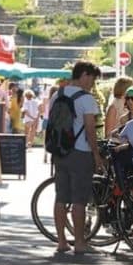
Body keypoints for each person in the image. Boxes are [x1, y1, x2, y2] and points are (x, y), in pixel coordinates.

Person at [51, 61, 103, 254]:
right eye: (92, 79)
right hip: (80, 152)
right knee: (79, 199)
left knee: (61, 197)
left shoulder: (58, 94)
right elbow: (90, 129)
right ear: (84, 75)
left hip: (59, 151)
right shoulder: (86, 99)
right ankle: (80, 242)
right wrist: (97, 154)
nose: (92, 84)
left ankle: (62, 241)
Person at [42, 86, 59, 164]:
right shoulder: (57, 99)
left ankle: (45, 154)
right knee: (53, 138)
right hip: (54, 121)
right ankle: (52, 155)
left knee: (45, 138)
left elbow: (42, 108)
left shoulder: (47, 99)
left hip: (46, 119)